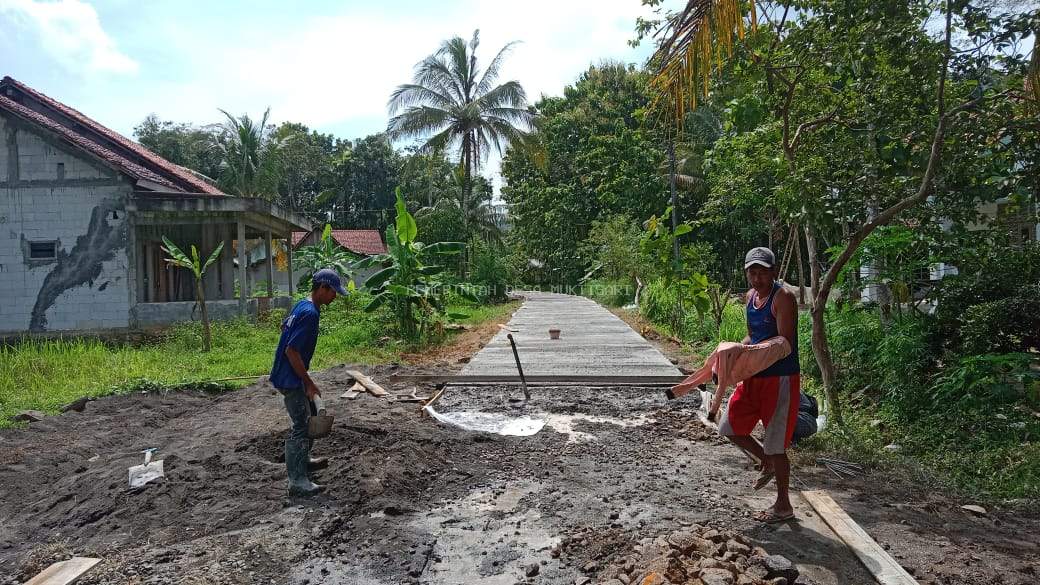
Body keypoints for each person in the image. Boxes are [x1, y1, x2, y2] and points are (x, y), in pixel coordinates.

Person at [717, 247, 801, 523]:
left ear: (773, 272)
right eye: (752, 273)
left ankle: (783, 505)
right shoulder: (750, 297)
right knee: (729, 427)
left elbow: (784, 343)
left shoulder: (783, 297)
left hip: (780, 378)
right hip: (754, 375)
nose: (757, 278)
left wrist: (749, 353)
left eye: (762, 272)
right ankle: (765, 460)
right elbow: (752, 336)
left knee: (776, 444)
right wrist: (733, 354)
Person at [269, 268, 347, 497]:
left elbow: (285, 326)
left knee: (310, 413)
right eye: (333, 292)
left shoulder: (303, 305)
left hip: (289, 373)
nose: (335, 296)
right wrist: (308, 382)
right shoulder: (310, 313)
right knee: (301, 425)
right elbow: (291, 351)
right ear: (322, 288)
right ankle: (297, 481)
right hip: (290, 377)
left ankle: (304, 460)